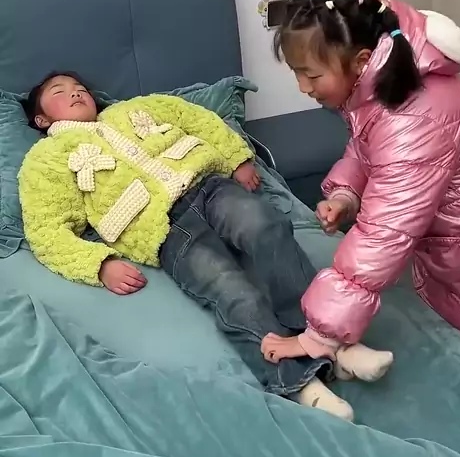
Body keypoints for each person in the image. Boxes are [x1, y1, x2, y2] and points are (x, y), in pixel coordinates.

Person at [18, 72, 392, 421]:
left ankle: (334, 341)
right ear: (41, 119)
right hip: (164, 228)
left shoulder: (136, 108)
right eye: (60, 92)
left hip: (210, 188)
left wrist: (236, 157)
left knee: (267, 227)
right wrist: (100, 264)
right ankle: (298, 381)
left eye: (79, 87)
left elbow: (197, 119)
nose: (75, 93)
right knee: (228, 287)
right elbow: (46, 232)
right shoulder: (46, 160)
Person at [261, 0, 460, 369]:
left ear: (362, 61)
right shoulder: (387, 88)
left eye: (311, 75)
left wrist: (319, 335)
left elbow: (384, 231)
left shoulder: (414, 120)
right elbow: (369, 149)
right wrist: (346, 194)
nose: (302, 87)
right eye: (296, 73)